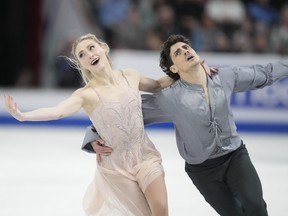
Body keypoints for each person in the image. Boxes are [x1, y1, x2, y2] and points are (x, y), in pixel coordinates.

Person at [82, 34, 288, 216]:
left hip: (235, 156)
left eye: (186, 47)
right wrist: (92, 137)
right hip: (203, 171)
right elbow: (125, 114)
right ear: (174, 68)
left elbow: (265, 73)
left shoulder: (224, 77)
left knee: (256, 207)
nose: (185, 51)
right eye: (178, 53)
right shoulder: (170, 98)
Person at [4, 33, 178, 216]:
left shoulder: (130, 76)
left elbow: (158, 85)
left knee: (161, 210)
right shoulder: (86, 94)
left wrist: (188, 69)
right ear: (81, 64)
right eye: (82, 55)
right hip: (116, 167)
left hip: (145, 156)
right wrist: (23, 116)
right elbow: (58, 111)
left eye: (91, 48)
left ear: (103, 47)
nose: (89, 54)